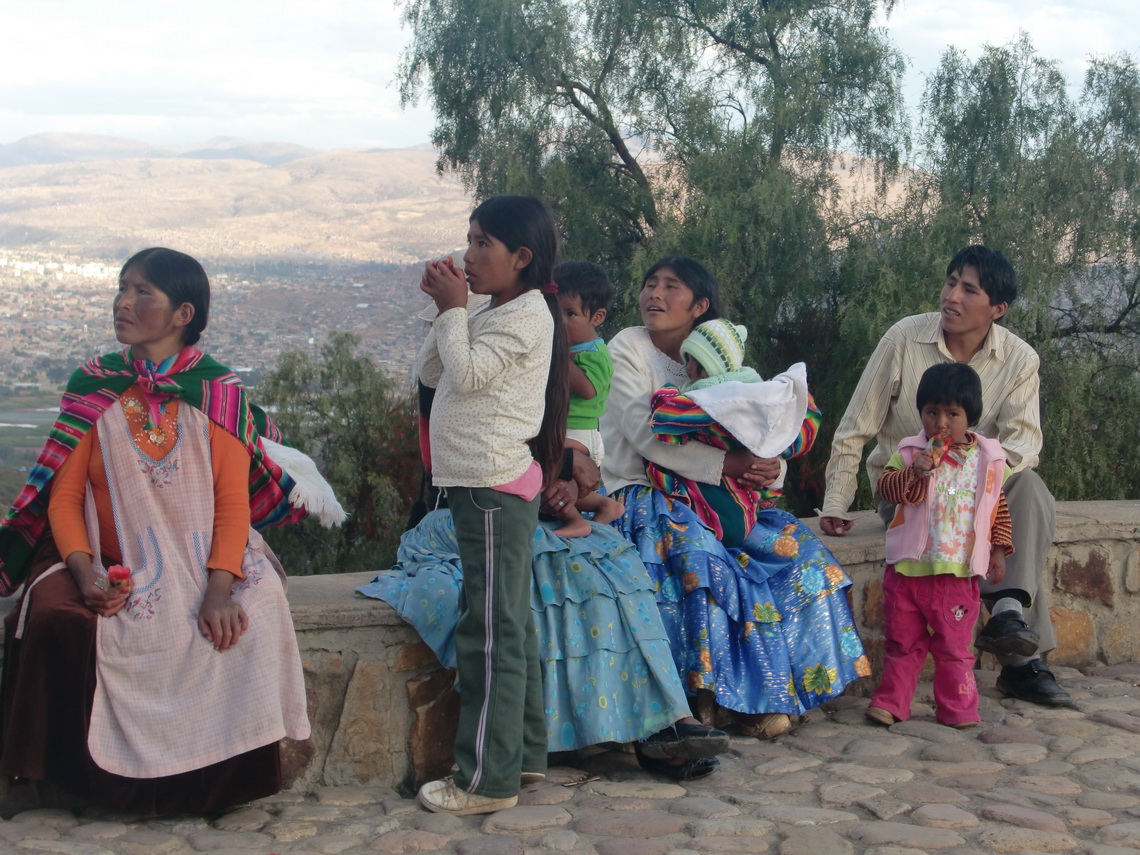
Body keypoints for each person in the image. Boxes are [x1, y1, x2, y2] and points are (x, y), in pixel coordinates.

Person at [375, 198, 727, 817]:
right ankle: (525, 755)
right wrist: (448, 314)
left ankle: (485, 780)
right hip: (483, 485)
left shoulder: (527, 317)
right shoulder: (498, 311)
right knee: (508, 620)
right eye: (468, 240)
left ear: (522, 257)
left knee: (488, 631)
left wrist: (455, 312)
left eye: (483, 243)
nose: (468, 255)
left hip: (489, 486)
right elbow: (433, 371)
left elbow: (467, 376)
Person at [0, 248, 341, 815]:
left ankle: (212, 788)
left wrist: (218, 589)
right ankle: (83, 786)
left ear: (183, 313)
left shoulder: (218, 392)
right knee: (60, 619)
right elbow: (64, 499)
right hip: (102, 555)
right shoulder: (95, 384)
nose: (123, 302)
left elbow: (233, 506)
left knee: (258, 612)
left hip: (206, 555)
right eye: (122, 287)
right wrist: (85, 574)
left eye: (142, 292)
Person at [601, 256, 871, 740]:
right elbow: (643, 434)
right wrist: (729, 466)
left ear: (699, 306)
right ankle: (724, 702)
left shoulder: (722, 357)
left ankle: (782, 688)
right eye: (649, 284)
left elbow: (763, 424)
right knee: (701, 559)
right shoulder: (628, 348)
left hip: (726, 493)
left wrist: (773, 468)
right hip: (646, 491)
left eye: (671, 287)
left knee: (801, 555)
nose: (654, 295)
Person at [820, 245, 1071, 708]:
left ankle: (1009, 617)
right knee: (970, 502)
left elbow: (1024, 446)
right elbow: (856, 426)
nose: (951, 296)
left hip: (975, 495)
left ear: (997, 309)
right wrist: (836, 502)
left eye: (968, 289)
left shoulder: (1019, 360)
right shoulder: (904, 338)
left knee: (1031, 488)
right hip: (908, 490)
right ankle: (1023, 665)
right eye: (950, 282)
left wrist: (973, 474)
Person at [864, 363, 1013, 729]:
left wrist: (998, 549)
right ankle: (891, 702)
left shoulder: (987, 461)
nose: (941, 423)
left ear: (970, 417)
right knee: (902, 643)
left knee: (954, 650)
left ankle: (958, 708)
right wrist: (915, 473)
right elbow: (887, 490)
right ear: (921, 414)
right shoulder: (911, 453)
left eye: (952, 414)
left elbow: (997, 507)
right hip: (907, 571)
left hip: (957, 574)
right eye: (932, 413)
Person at [648, 318, 814, 549]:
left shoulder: (715, 401)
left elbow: (664, 421)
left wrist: (666, 390)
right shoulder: (765, 399)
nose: (686, 368)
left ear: (709, 364)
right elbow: (801, 432)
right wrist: (771, 457)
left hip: (716, 511)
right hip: (749, 504)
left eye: (692, 360)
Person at [548, 260, 624, 537]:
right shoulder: (576, 349)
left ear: (597, 317)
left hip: (580, 434)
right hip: (571, 431)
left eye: (571, 314)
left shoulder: (594, 353)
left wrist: (559, 357)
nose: (561, 323)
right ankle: (606, 506)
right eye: (556, 314)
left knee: (540, 460)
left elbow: (589, 388)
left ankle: (575, 521)